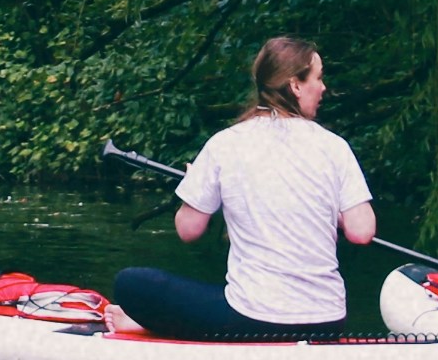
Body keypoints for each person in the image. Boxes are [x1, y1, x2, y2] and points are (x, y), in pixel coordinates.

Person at [110, 37, 377, 342]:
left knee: (130, 283)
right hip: (327, 321)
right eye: (318, 77)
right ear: (296, 85)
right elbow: (362, 231)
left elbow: (189, 229)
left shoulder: (225, 144)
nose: (323, 87)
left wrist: (192, 185)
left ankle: (145, 326)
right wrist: (336, 212)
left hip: (253, 322)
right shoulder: (335, 147)